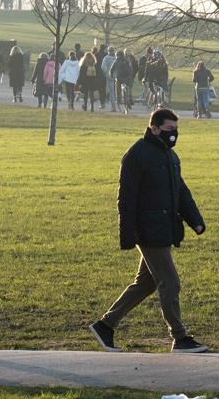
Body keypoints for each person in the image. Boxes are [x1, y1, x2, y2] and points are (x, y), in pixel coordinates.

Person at [87, 109, 208, 354]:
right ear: (154, 128)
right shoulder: (136, 155)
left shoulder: (170, 157)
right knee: (170, 282)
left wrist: (195, 220)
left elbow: (180, 191)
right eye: (169, 130)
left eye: (176, 130)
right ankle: (180, 337)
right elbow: (126, 198)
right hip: (148, 230)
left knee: (145, 283)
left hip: (164, 227)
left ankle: (105, 325)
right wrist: (128, 234)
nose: (173, 135)